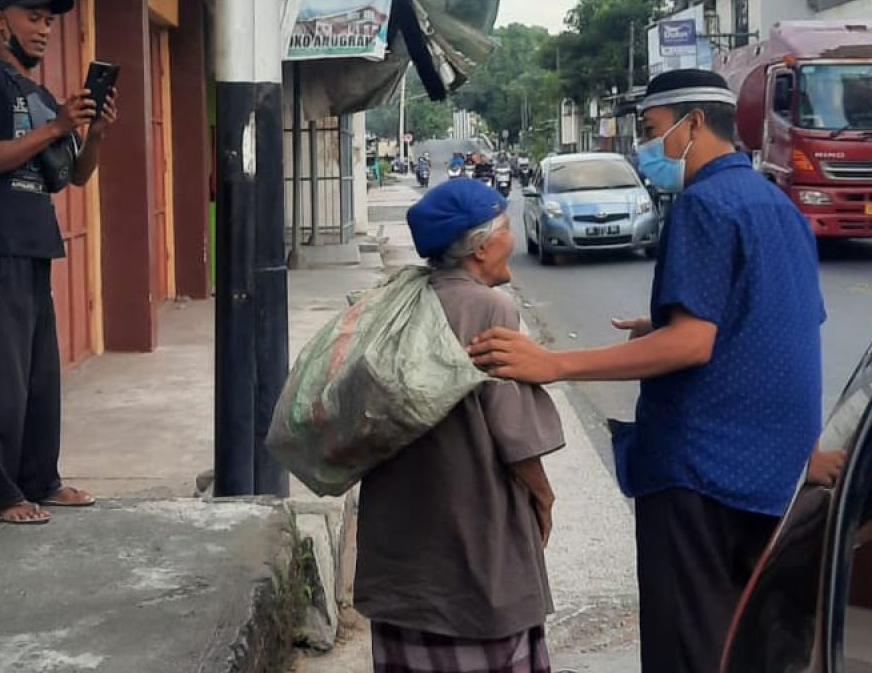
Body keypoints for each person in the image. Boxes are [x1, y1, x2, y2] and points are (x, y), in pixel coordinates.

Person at [468, 69, 830, 673]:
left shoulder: (703, 204)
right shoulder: (778, 204)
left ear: (693, 124)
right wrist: (805, 449)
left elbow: (692, 344)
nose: (646, 146)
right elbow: (785, 329)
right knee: (761, 646)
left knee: (689, 648)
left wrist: (554, 364)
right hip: (775, 477)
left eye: (652, 129)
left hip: (702, 475)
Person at [355, 178, 564, 673]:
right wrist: (543, 494)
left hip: (397, 525)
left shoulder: (401, 301)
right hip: (469, 522)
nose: (513, 239)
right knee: (481, 630)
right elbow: (512, 432)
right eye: (506, 229)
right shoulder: (489, 308)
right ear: (481, 245)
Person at [0, 0, 118, 524]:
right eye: (32, 17)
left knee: (39, 377)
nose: (44, 29)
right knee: (0, 374)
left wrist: (91, 132)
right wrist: (55, 130)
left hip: (36, 243)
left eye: (49, 20)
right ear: (0, 21)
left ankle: (40, 480)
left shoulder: (44, 97)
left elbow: (72, 177)